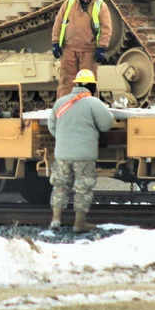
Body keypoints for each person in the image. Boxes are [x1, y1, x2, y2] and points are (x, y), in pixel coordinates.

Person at [46, 68, 115, 232]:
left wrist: (64, 139)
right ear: (92, 87)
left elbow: (51, 126)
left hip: (62, 153)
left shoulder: (60, 102)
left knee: (60, 186)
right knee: (83, 188)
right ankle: (79, 223)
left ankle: (56, 219)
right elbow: (106, 124)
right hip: (84, 155)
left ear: (76, 85)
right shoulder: (93, 103)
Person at [51, 0, 112, 99]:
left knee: (89, 84)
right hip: (69, 49)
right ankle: (64, 107)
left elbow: (106, 28)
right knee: (66, 82)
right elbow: (58, 23)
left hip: (89, 51)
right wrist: (55, 43)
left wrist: (102, 47)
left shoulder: (101, 6)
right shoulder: (69, 3)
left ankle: (89, 107)